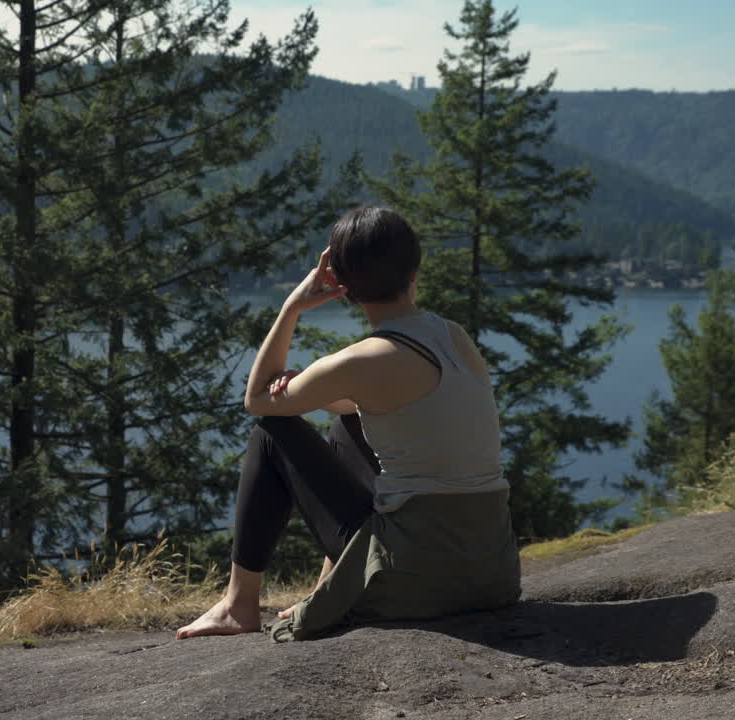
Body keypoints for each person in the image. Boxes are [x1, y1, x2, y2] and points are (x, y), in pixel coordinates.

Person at [175, 205, 520, 641]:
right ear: (414, 269)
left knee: (273, 432)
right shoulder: (453, 335)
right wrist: (324, 391)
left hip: (418, 580)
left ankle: (238, 605)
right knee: (347, 420)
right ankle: (326, 587)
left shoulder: (358, 360)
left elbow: (258, 399)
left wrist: (292, 306)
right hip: (493, 571)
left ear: (341, 282)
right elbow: (391, 406)